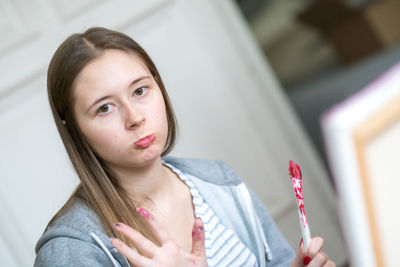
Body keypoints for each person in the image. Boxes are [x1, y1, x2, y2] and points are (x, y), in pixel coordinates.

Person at [34, 27, 335, 267]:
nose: (135, 117)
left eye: (140, 90)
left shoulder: (218, 180)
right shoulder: (71, 249)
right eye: (104, 108)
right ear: (74, 129)